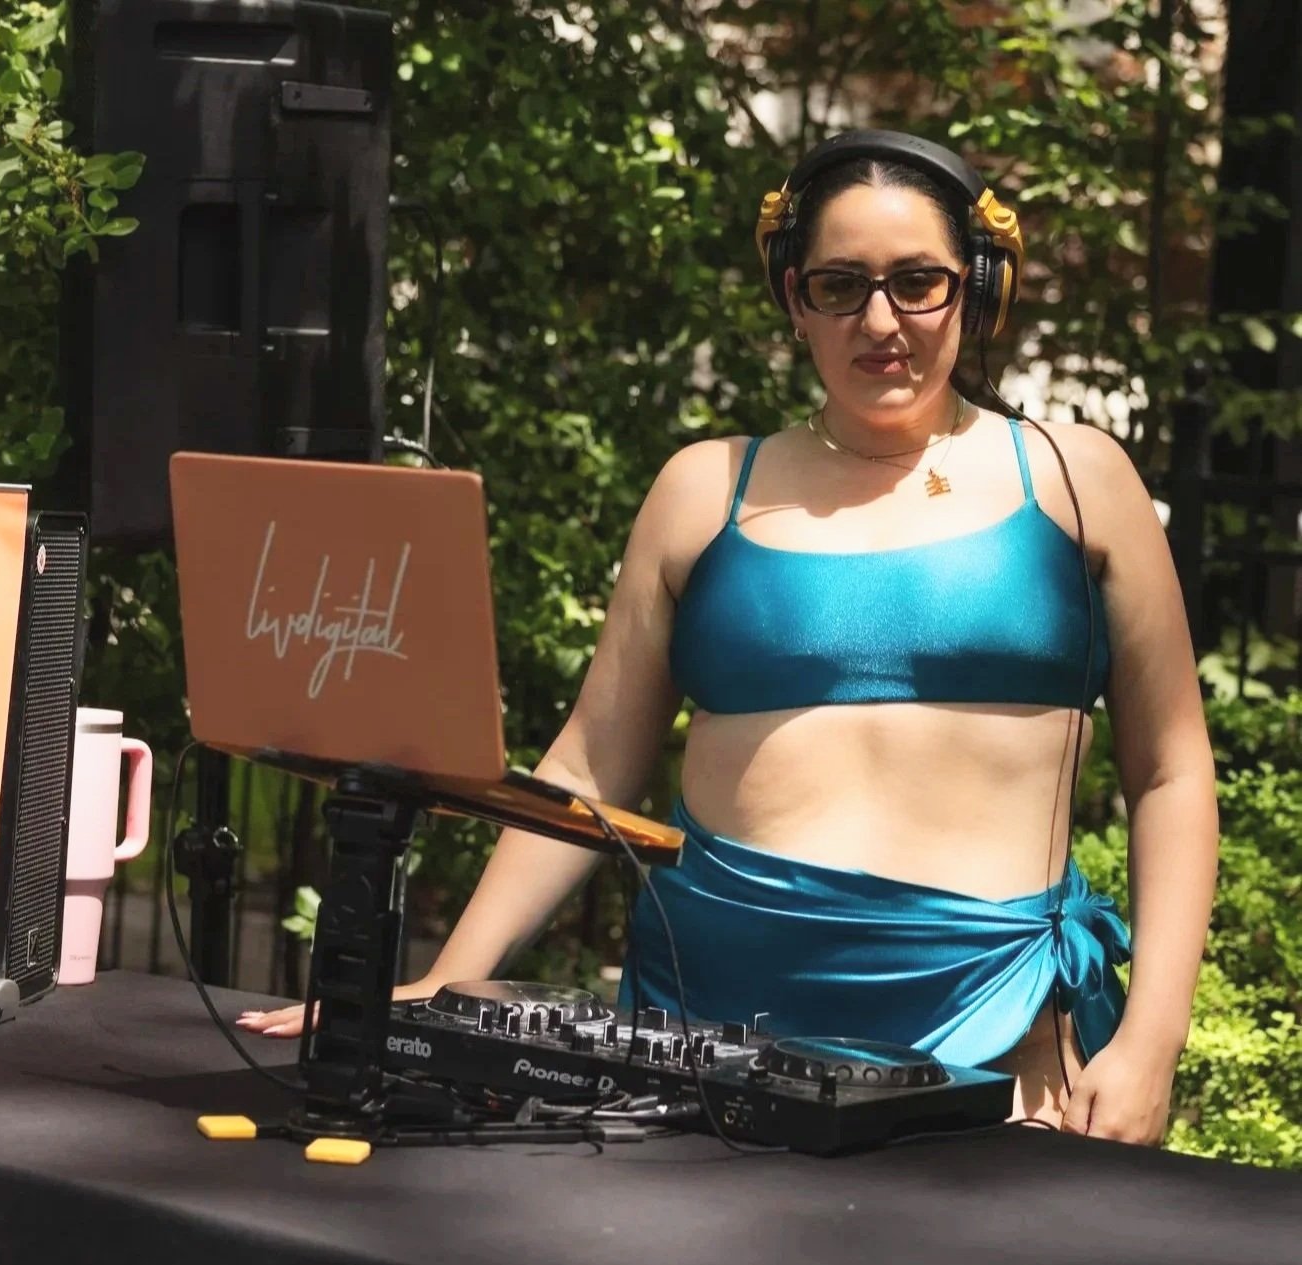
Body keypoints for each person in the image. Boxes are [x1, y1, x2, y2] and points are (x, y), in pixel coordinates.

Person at [238, 130, 1219, 1146]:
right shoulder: (703, 487)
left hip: (996, 1025)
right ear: (793, 298)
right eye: (839, 285)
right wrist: (445, 976)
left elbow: (1170, 770)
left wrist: (1150, 1041)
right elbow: (590, 761)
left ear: (974, 286)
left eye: (915, 281)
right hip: (701, 1027)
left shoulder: (1074, 477)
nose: (879, 319)